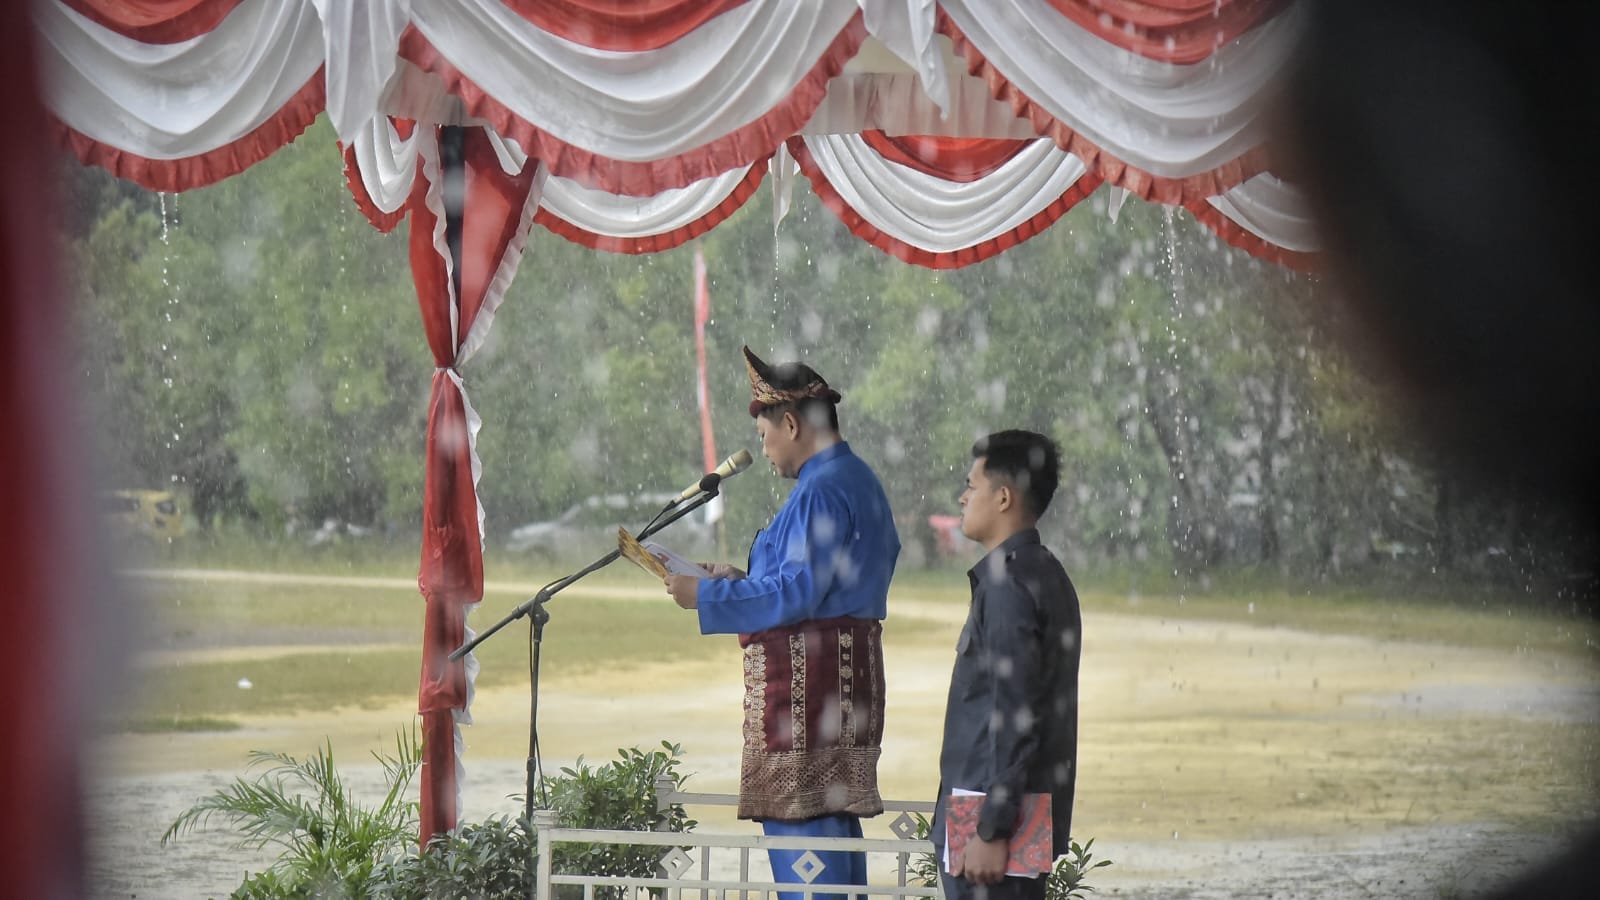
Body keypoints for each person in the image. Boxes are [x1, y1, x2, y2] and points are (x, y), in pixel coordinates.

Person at [664, 346, 901, 899]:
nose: (765, 450)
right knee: (835, 846)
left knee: (807, 856)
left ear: (791, 423)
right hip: (842, 696)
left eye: (768, 434)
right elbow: (820, 587)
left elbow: (797, 591)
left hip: (807, 703)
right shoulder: (857, 480)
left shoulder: (820, 490)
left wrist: (707, 596)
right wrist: (735, 579)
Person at [931, 430, 1081, 900]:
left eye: (971, 486)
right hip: (1016, 813)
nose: (963, 496)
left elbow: (1016, 714)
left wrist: (992, 831)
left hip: (990, 829)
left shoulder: (1007, 586)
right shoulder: (1045, 573)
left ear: (1002, 497)